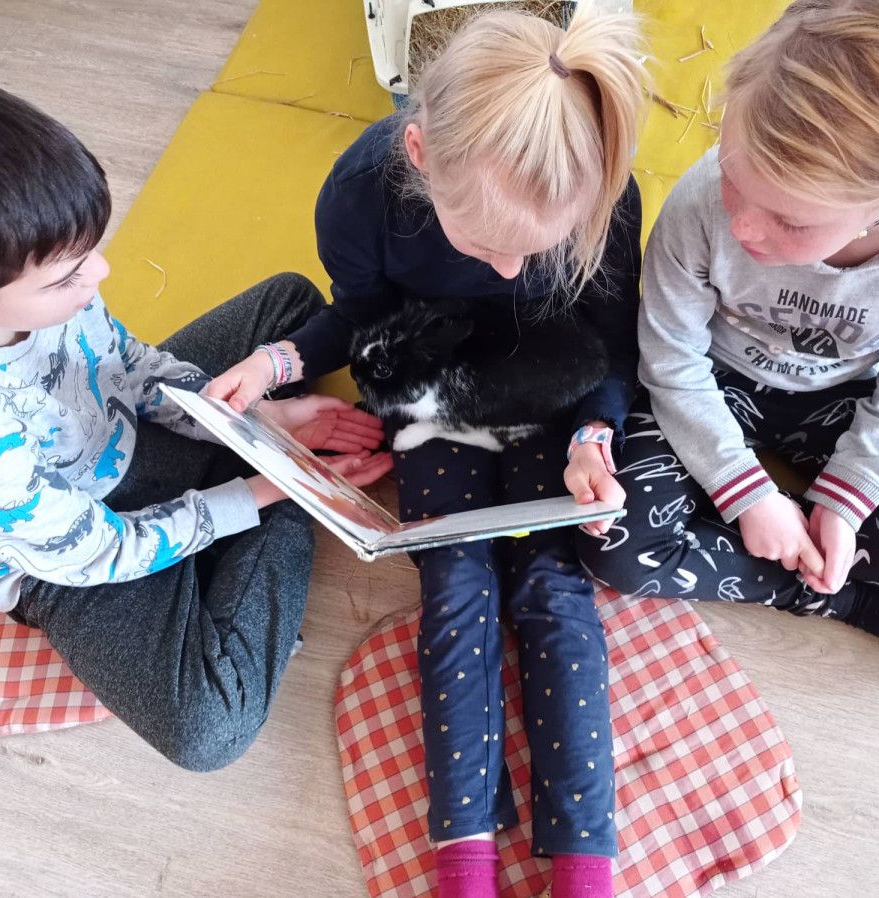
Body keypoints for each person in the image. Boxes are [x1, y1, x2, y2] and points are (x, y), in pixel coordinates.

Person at [207, 7, 647, 896]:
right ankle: (465, 858)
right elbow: (359, 322)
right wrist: (277, 361)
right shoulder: (359, 194)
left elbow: (612, 344)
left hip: (552, 382)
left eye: (536, 250)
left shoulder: (599, 179)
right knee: (453, 582)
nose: (510, 271)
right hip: (430, 377)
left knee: (554, 585)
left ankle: (585, 865)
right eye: (485, 245)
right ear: (418, 155)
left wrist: (594, 439)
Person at [0, 57, 391, 770]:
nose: (99, 275)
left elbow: (124, 363)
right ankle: (274, 510)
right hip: (70, 557)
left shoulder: (26, 268)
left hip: (117, 432)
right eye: (70, 276)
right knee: (208, 729)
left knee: (288, 302)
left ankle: (234, 502)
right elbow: (97, 551)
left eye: (90, 253)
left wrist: (257, 421)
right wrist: (269, 488)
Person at [578, 0, 879, 695]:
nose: (743, 227)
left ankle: (789, 543)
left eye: (790, 220)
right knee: (611, 546)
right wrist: (744, 493)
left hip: (843, 396)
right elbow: (671, 360)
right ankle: (846, 598)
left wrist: (847, 499)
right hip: (710, 382)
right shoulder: (702, 202)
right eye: (731, 175)